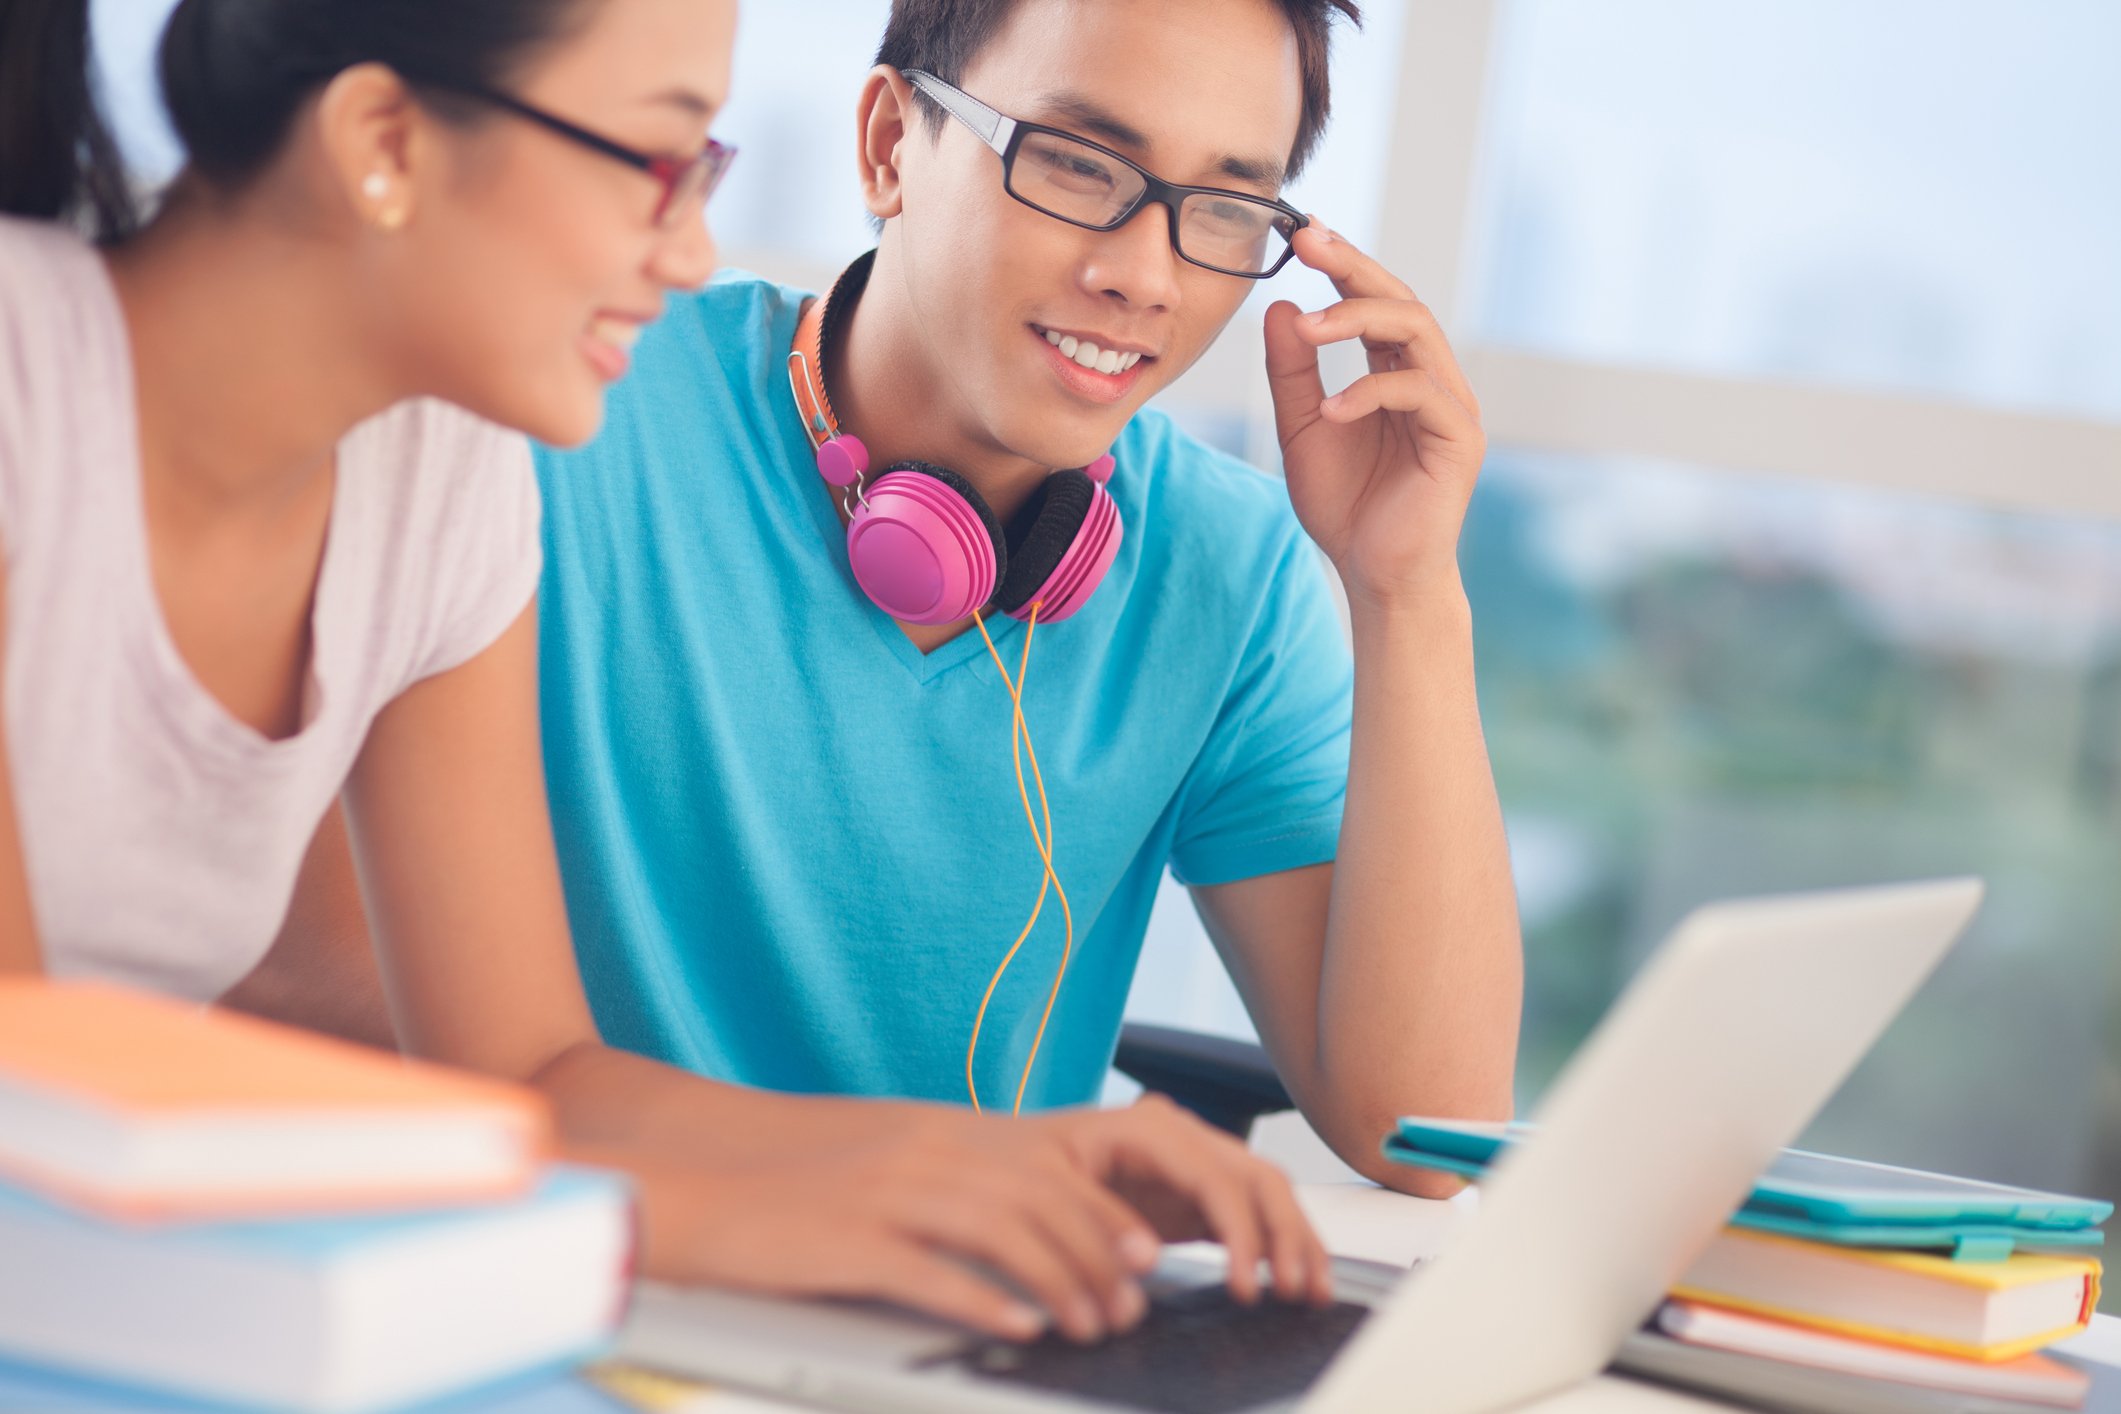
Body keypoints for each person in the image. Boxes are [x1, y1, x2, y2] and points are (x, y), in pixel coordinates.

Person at [0, 0, 1324, 1347]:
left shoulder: (439, 483)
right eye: (652, 162)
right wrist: (722, 1216)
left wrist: (960, 1172)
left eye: (708, 172)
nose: (691, 247)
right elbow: (25, 1099)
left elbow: (528, 1076)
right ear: (386, 140)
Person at [258, 0, 1523, 1206]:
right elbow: (310, 974)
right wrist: (867, 1193)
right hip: (565, 1260)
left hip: (955, 1305)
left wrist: (1409, 592)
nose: (1146, 275)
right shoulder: (557, 407)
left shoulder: (1229, 575)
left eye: (1225, 208)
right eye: (1080, 163)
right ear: (887, 146)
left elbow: (1425, 1133)